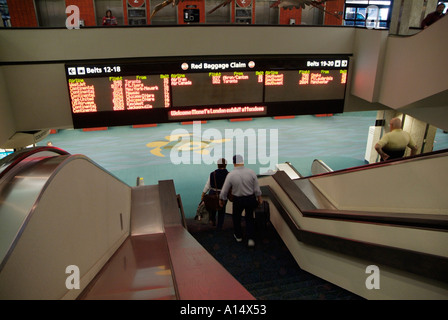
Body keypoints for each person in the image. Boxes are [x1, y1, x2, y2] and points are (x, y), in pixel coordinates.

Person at [219, 155, 263, 247]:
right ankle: (250, 238)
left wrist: (222, 199)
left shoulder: (230, 175)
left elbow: (224, 190)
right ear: (242, 161)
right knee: (249, 218)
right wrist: (259, 198)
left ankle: (238, 236)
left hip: (238, 200)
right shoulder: (251, 172)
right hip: (250, 198)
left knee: (236, 218)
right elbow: (256, 188)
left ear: (234, 163)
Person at [201, 158, 229, 230]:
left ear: (218, 165)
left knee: (212, 207)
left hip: (213, 193)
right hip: (224, 194)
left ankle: (213, 220)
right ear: (225, 165)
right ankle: (219, 226)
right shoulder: (228, 174)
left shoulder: (213, 174)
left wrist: (203, 194)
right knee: (222, 210)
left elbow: (208, 185)